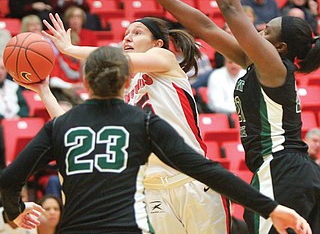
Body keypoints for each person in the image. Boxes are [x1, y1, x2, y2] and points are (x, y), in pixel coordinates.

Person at [0, 46, 312, 234]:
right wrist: (271, 209)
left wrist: (13, 211)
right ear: (126, 80)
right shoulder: (143, 123)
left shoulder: (62, 127)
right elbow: (207, 170)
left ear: (85, 81)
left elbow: (10, 179)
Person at [122, 0, 320, 233]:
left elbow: (230, 7)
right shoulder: (256, 63)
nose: (258, 32)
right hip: (292, 170)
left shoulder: (274, 66)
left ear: (280, 47)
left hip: (282, 168)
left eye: (266, 32)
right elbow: (205, 27)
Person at [42, 12, 240, 234]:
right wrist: (44, 91)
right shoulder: (122, 91)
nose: (127, 38)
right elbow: (76, 127)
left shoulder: (165, 59)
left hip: (193, 179)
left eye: (136, 33)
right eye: (126, 34)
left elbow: (116, 60)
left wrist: (69, 49)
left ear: (158, 43)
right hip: (153, 191)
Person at [0, 58, 29, 169]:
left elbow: (24, 107)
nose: (0, 72)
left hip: (16, 122)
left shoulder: (13, 85)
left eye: (2, 68)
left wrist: (19, 116)